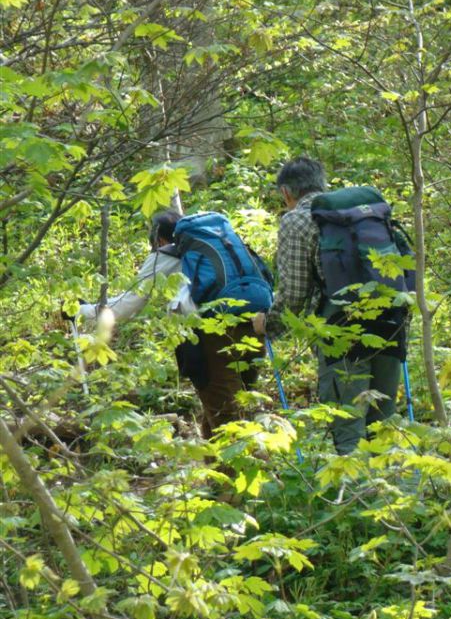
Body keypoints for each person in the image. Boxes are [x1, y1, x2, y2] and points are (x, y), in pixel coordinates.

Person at [252, 156, 404, 455]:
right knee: (384, 425)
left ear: (286, 192)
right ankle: (397, 495)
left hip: (342, 330)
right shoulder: (362, 212)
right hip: (391, 317)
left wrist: (268, 326)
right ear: (323, 184)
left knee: (347, 425)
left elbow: (294, 293)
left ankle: (356, 497)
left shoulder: (296, 220)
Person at [80, 209, 263, 440]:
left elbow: (123, 308)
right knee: (236, 403)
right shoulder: (218, 247)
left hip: (210, 338)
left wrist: (82, 310)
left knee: (225, 414)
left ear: (159, 239)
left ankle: (238, 469)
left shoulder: (164, 255)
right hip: (253, 325)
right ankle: (216, 472)